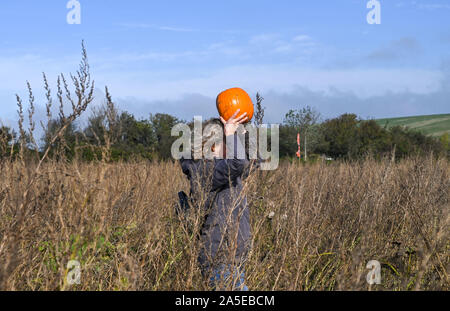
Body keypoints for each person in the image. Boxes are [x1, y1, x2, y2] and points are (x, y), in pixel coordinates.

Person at [179, 110, 253, 291]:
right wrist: (229, 132)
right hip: (219, 260)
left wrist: (241, 131)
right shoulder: (205, 171)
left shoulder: (222, 171)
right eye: (229, 141)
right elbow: (238, 162)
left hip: (231, 260)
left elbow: (249, 162)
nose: (235, 145)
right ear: (213, 146)